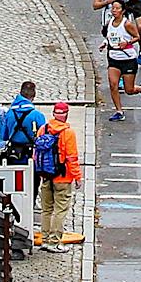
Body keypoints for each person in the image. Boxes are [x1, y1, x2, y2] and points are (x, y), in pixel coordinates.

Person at [33, 101, 82, 249]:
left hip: (46, 175)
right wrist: (77, 177)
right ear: (66, 115)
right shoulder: (68, 133)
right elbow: (71, 157)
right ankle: (55, 242)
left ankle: (45, 239)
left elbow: (36, 154)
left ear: (54, 114)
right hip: (63, 177)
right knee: (60, 210)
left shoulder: (44, 129)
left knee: (46, 209)